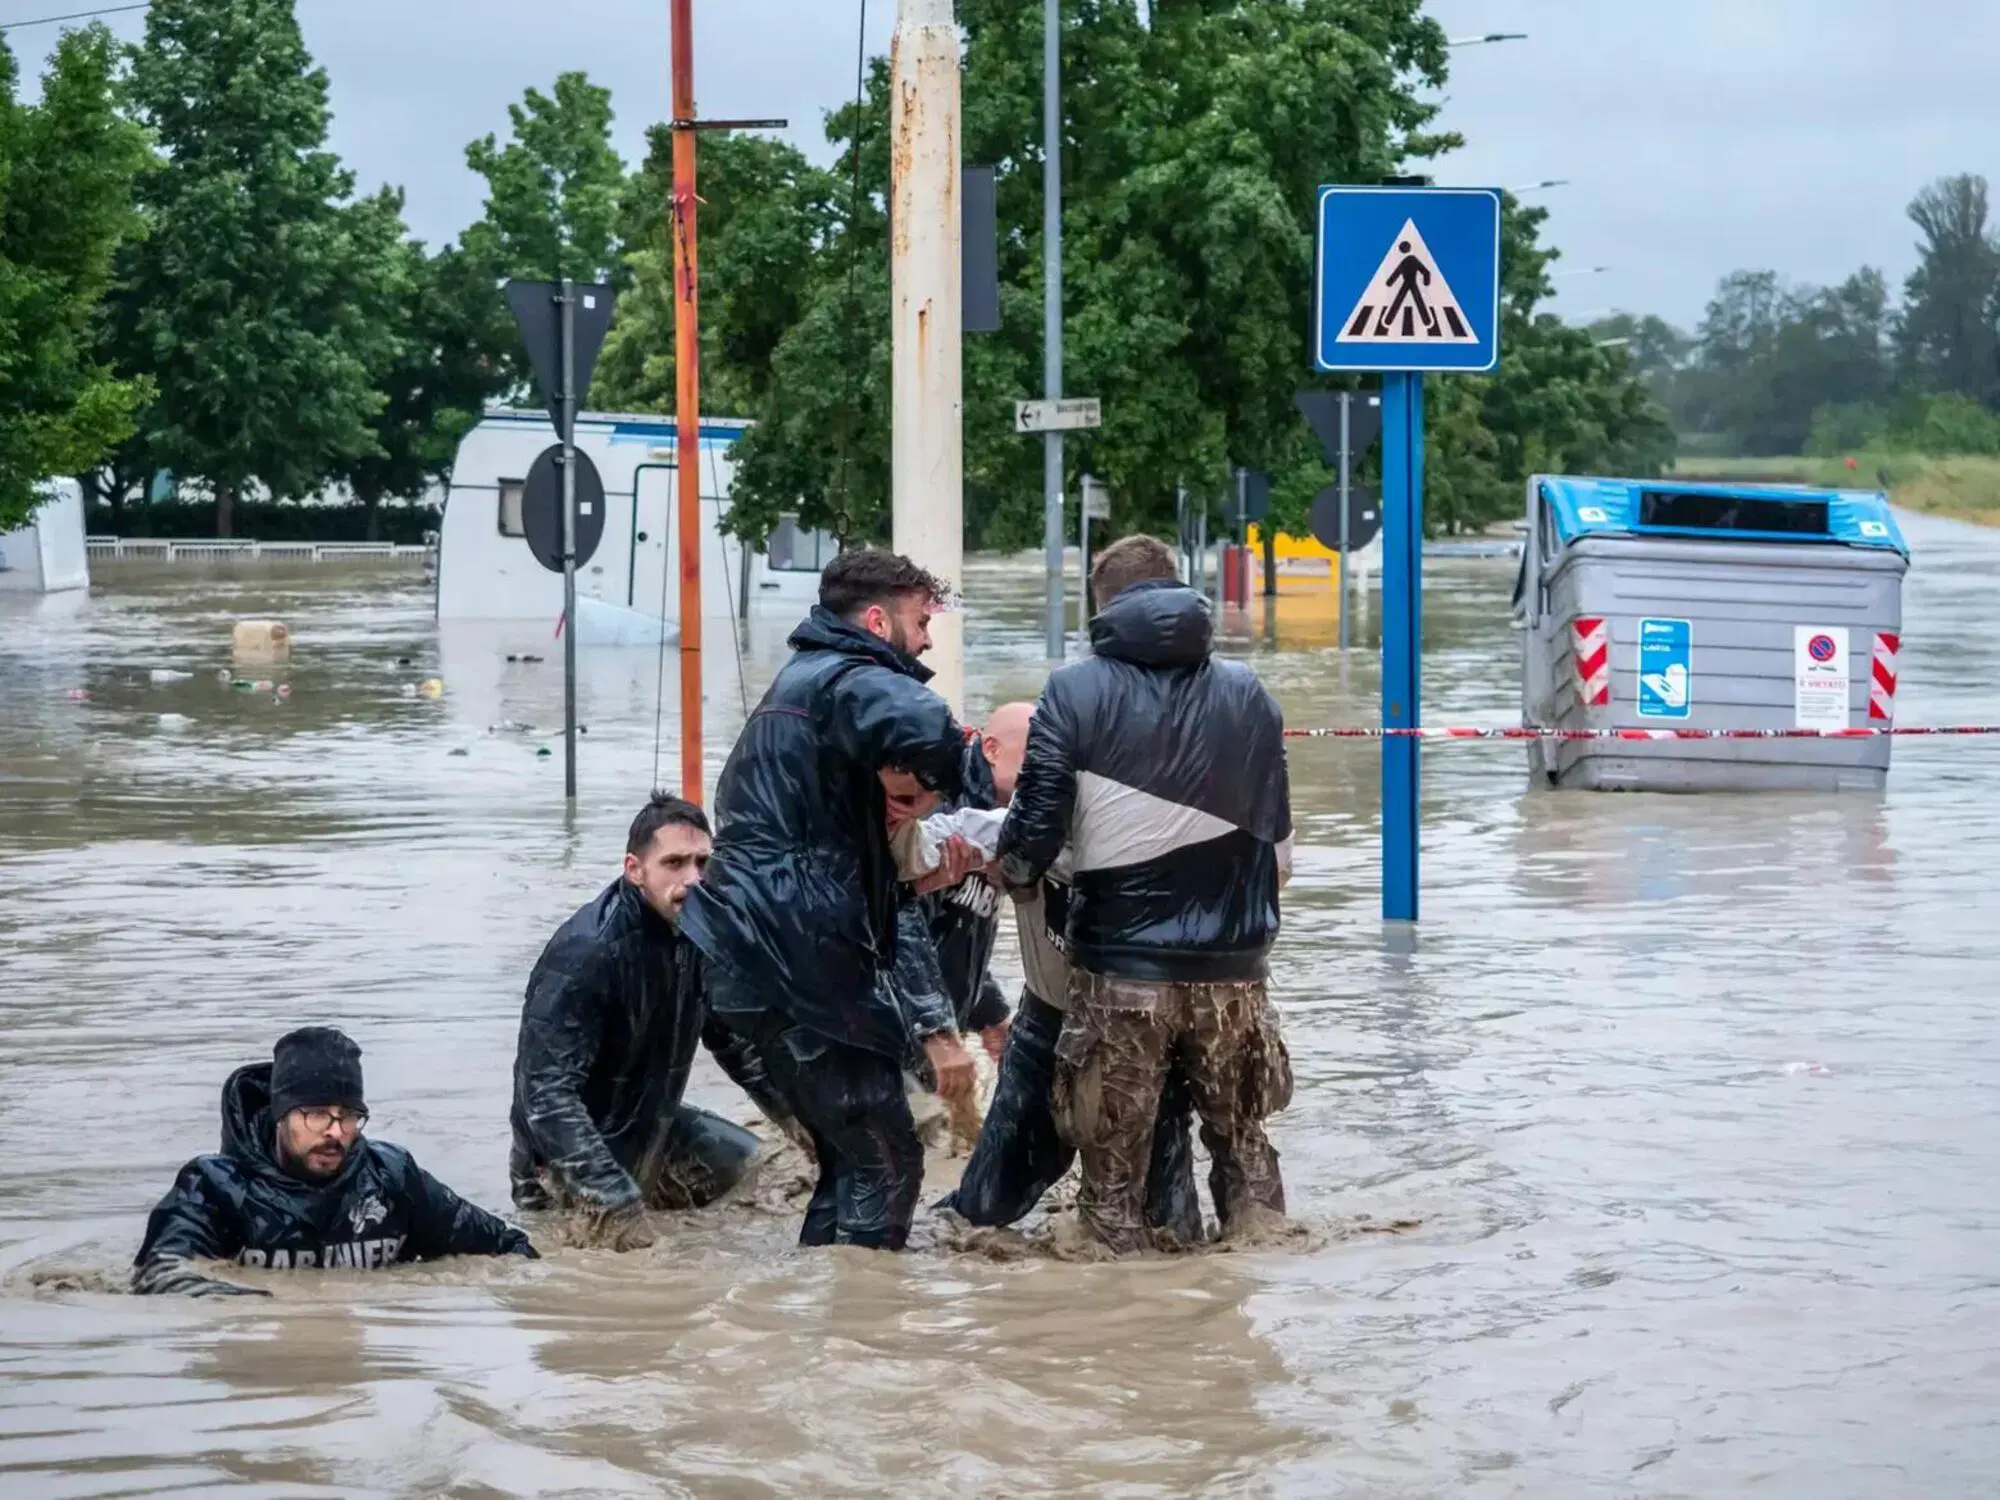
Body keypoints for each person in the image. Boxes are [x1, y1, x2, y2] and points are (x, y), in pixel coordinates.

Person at [995, 535, 1296, 1254]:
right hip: (1236, 972)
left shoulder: (1074, 689)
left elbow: (1034, 829)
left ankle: (1127, 1335)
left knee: (1112, 1187)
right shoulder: (1250, 691)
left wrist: (1013, 872)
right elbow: (1276, 831)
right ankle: (1260, 1287)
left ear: (1102, 607)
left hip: (1124, 970)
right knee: (1246, 1149)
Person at [681, 548, 982, 1250]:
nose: (928, 639)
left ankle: (826, 1317)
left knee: (852, 1158)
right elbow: (927, 726)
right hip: (796, 960)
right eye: (919, 621)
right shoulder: (847, 677)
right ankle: (868, 1333)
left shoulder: (803, 686)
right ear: (877, 620)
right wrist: (972, 777)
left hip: (751, 957)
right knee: (888, 1152)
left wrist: (907, 871)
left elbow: (828, 848)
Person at [936, 704, 1203, 1245]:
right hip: (1046, 1020)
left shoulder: (1166, 827)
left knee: (1169, 1231)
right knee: (979, 1213)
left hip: (1147, 1037)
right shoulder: (1020, 824)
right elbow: (937, 847)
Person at [510, 793, 785, 1251]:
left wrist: (802, 1122)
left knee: (768, 1171)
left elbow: (737, 1043)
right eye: (674, 863)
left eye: (702, 862)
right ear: (635, 870)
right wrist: (615, 1198)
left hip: (653, 1122)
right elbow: (546, 1095)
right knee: (615, 1276)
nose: (693, 879)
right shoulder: (585, 955)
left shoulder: (702, 930)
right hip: (567, 1152)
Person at [134, 1027, 535, 1296]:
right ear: (280, 1114)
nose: (335, 1131)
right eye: (316, 1114)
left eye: (348, 1116)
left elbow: (508, 1248)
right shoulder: (215, 1187)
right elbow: (161, 1275)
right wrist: (261, 1309)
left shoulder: (392, 1178)